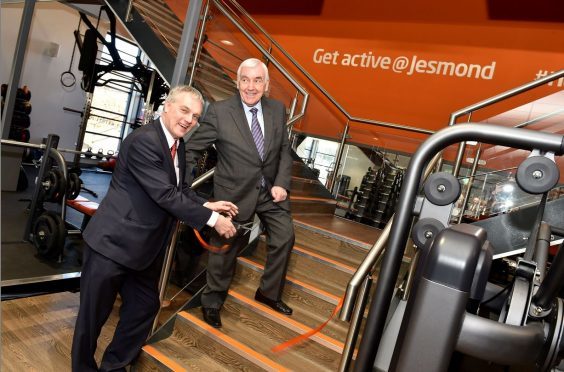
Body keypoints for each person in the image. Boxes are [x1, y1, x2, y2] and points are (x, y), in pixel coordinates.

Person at [71, 86, 238, 371]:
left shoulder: (177, 144)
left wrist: (207, 205)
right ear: (167, 107)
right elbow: (164, 195)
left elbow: (180, 189)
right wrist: (212, 221)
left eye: (195, 116)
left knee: (144, 308)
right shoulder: (145, 141)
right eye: (184, 111)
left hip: (143, 250)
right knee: (92, 319)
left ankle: (114, 366)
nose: (189, 120)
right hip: (113, 245)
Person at [186, 58, 295, 328]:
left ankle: (268, 293)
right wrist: (181, 184)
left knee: (285, 237)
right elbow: (191, 149)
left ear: (266, 85)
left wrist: (282, 183)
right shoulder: (220, 112)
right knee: (224, 251)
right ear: (237, 82)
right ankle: (211, 302)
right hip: (232, 193)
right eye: (245, 79)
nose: (250, 86)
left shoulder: (277, 110)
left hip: (269, 190)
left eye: (257, 80)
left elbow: (283, 150)